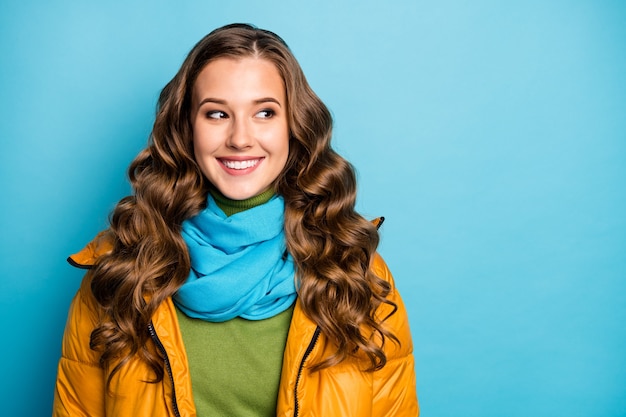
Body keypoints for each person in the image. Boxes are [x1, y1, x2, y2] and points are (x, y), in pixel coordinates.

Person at [53, 23, 418, 416]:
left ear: (294, 125)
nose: (240, 138)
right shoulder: (119, 270)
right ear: (186, 127)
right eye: (217, 113)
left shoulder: (354, 273)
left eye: (264, 112)